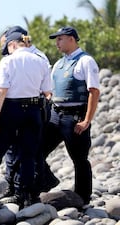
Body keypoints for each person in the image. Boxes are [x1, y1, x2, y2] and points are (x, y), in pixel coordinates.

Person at [0, 31, 51, 209]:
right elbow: (47, 90)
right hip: (34, 109)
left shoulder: (8, 61)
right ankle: (24, 195)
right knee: (28, 155)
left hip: (11, 109)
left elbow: (2, 90)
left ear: (12, 45)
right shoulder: (41, 60)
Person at [38, 26, 100, 205]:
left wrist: (87, 120)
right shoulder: (58, 63)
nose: (57, 43)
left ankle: (83, 197)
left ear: (71, 39)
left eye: (60, 39)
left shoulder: (86, 61)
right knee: (37, 151)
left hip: (75, 117)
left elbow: (94, 91)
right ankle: (48, 181)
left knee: (79, 159)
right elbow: (50, 90)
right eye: (56, 39)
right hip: (55, 115)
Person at [0, 25, 55, 200]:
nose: (6, 51)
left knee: (28, 151)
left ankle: (28, 189)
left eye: (6, 45)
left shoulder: (37, 57)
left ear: (15, 42)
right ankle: (18, 186)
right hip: (29, 108)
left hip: (31, 107)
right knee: (15, 150)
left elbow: (45, 89)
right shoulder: (36, 56)